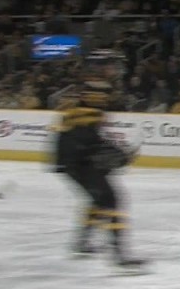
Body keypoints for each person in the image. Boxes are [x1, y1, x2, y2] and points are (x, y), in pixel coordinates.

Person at [52, 49, 146, 272]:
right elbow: (83, 130)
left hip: (73, 154)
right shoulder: (96, 89)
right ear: (100, 67)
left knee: (98, 198)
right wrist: (112, 151)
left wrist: (105, 148)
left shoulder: (88, 88)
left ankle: (82, 243)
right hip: (77, 156)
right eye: (113, 65)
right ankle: (120, 257)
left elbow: (83, 128)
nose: (117, 70)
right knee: (111, 200)